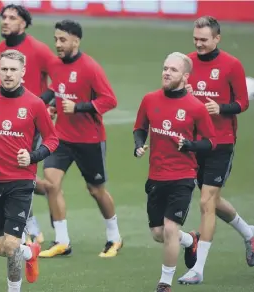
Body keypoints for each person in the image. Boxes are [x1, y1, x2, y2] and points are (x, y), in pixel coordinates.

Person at [0, 49, 59, 292]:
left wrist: (33, 156)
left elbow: (52, 140)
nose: (8, 74)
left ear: (23, 72)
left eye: (13, 70)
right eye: (4, 69)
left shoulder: (35, 104)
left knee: (10, 245)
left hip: (21, 181)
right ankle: (30, 252)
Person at [38, 20, 122, 258]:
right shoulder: (55, 64)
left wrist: (79, 107)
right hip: (61, 138)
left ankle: (114, 237)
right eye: (55, 39)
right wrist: (50, 104)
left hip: (89, 140)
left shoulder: (90, 68)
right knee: (52, 184)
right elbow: (58, 88)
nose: (58, 44)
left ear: (76, 41)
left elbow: (109, 100)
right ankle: (62, 240)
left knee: (96, 190)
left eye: (62, 40)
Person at [178, 16, 252, 285]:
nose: (198, 44)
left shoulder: (231, 65)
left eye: (204, 40)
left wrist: (220, 107)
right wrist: (181, 91)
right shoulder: (186, 62)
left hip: (221, 142)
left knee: (206, 203)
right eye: (195, 39)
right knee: (212, 200)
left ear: (217, 38)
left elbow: (243, 103)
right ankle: (249, 233)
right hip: (194, 143)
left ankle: (198, 269)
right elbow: (174, 95)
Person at [134, 52, 216, 292]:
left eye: (173, 70)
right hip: (156, 176)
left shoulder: (195, 108)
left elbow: (211, 142)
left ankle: (165, 283)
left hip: (183, 176)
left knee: (170, 229)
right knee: (159, 233)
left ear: (185, 76)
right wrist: (139, 144)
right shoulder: (150, 99)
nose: (167, 73)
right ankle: (190, 240)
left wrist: (190, 145)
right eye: (165, 68)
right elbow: (140, 128)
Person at [0, 4, 57, 243]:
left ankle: (34, 230)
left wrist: (39, 104)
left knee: (17, 173)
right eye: (3, 17)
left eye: (11, 17)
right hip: (1, 122)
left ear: (24, 23)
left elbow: (58, 82)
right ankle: (33, 223)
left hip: (29, 122)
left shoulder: (39, 49)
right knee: (9, 173)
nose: (5, 21)